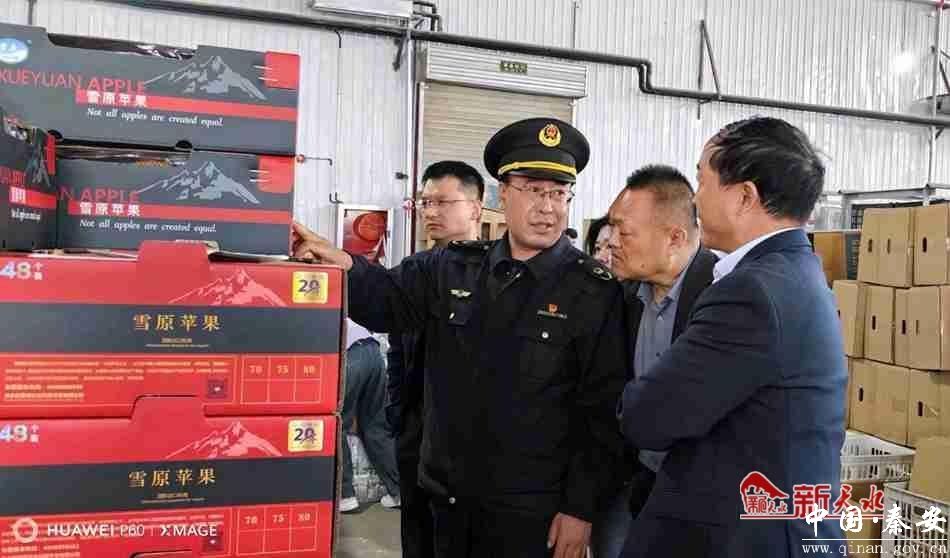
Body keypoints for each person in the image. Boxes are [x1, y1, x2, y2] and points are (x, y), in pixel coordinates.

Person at [293, 117, 628, 558]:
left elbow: (602, 410)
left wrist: (580, 509)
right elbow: (386, 298)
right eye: (533, 190)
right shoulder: (452, 268)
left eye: (558, 193)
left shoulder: (593, 291)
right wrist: (341, 263)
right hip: (448, 501)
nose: (547, 207)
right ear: (502, 194)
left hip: (532, 513)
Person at [618, 117, 846, 558]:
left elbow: (649, 416)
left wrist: (634, 396)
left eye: (702, 180)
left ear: (744, 197)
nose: (695, 197)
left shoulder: (752, 291)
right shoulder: (794, 271)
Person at [589, 165, 716, 558]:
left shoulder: (722, 295)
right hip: (636, 480)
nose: (611, 243)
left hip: (700, 494)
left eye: (624, 233)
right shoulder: (623, 296)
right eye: (611, 229)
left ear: (674, 237)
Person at [386, 160, 484, 558]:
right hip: (416, 428)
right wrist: (398, 414)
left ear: (475, 208)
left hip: (467, 439)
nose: (431, 211)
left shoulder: (495, 276)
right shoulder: (412, 272)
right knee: (416, 532)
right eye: (426, 203)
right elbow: (397, 349)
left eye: (443, 202)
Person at [339, 318, 401, 513]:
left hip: (348, 352)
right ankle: (399, 491)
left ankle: (344, 495)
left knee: (335, 424)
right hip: (372, 351)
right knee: (376, 425)